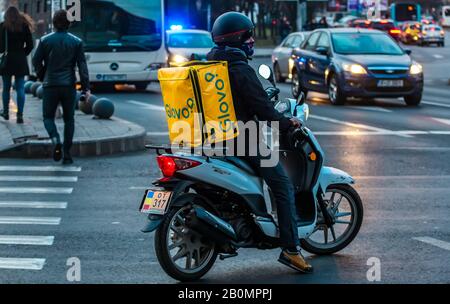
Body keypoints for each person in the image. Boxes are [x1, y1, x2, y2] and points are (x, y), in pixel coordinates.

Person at [207, 12, 313, 274]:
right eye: (248, 35)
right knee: (283, 186)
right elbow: (263, 110)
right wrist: (288, 123)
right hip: (245, 138)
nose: (252, 40)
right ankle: (291, 249)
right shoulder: (240, 69)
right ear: (238, 39)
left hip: (210, 137)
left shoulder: (210, 65)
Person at [32, 10, 90, 165]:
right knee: (69, 119)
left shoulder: (45, 41)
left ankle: (55, 139)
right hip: (68, 85)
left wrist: (43, 74)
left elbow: (36, 61)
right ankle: (67, 154)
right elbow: (82, 67)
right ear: (68, 23)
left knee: (48, 117)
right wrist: (86, 88)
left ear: (54, 23)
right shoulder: (76, 42)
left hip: (50, 85)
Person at [0, 6, 34, 124]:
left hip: (7, 60)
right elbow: (30, 45)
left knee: (6, 88)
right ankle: (20, 115)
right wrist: (23, 54)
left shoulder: (2, 27)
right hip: (20, 60)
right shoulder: (24, 26)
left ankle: (5, 112)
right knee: (20, 88)